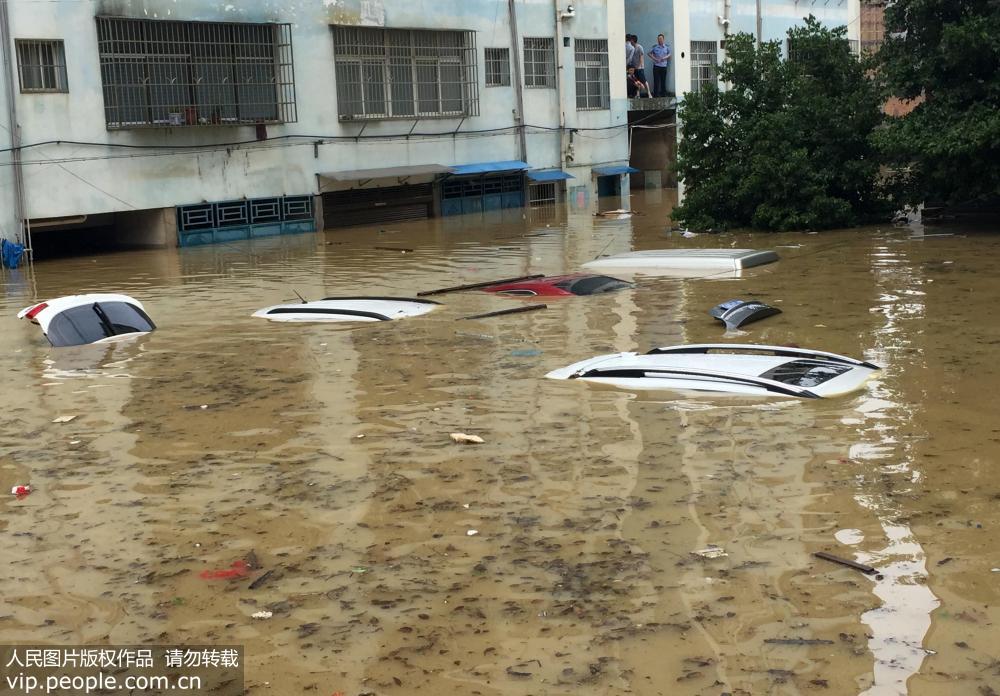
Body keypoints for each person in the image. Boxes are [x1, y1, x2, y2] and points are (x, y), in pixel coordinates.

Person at [648, 34, 672, 98]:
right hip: (656, 66)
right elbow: (649, 53)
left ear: (663, 39)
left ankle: (663, 94)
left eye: (661, 39)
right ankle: (656, 95)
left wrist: (665, 57)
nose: (659, 40)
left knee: (663, 81)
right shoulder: (655, 47)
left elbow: (670, 54)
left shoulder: (666, 47)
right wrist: (655, 59)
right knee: (656, 81)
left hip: (664, 66)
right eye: (658, 39)